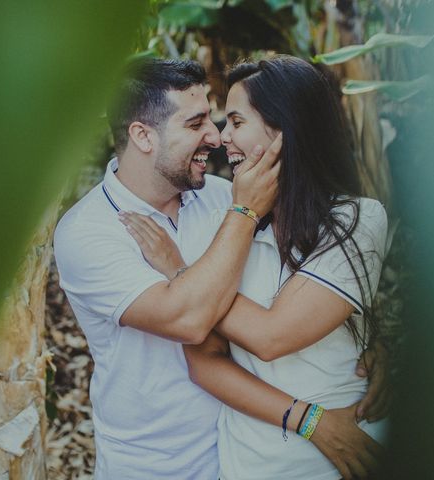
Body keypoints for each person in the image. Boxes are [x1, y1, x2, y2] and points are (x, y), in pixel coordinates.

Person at [54, 58, 387, 479]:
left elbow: (296, 287)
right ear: (142, 136)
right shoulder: (89, 231)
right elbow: (193, 323)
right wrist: (310, 419)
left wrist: (358, 339)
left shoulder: (222, 198)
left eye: (220, 121)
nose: (214, 136)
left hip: (242, 453)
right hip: (157, 465)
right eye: (196, 125)